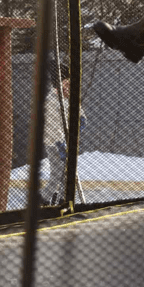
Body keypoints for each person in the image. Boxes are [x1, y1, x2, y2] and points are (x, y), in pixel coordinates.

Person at [40, 64, 86, 206]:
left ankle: (60, 199)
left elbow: (79, 114)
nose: (69, 84)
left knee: (65, 175)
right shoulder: (52, 101)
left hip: (64, 142)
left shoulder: (68, 97)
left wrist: (81, 120)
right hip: (54, 143)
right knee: (58, 174)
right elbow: (52, 128)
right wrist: (60, 143)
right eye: (65, 81)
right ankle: (43, 201)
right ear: (58, 83)